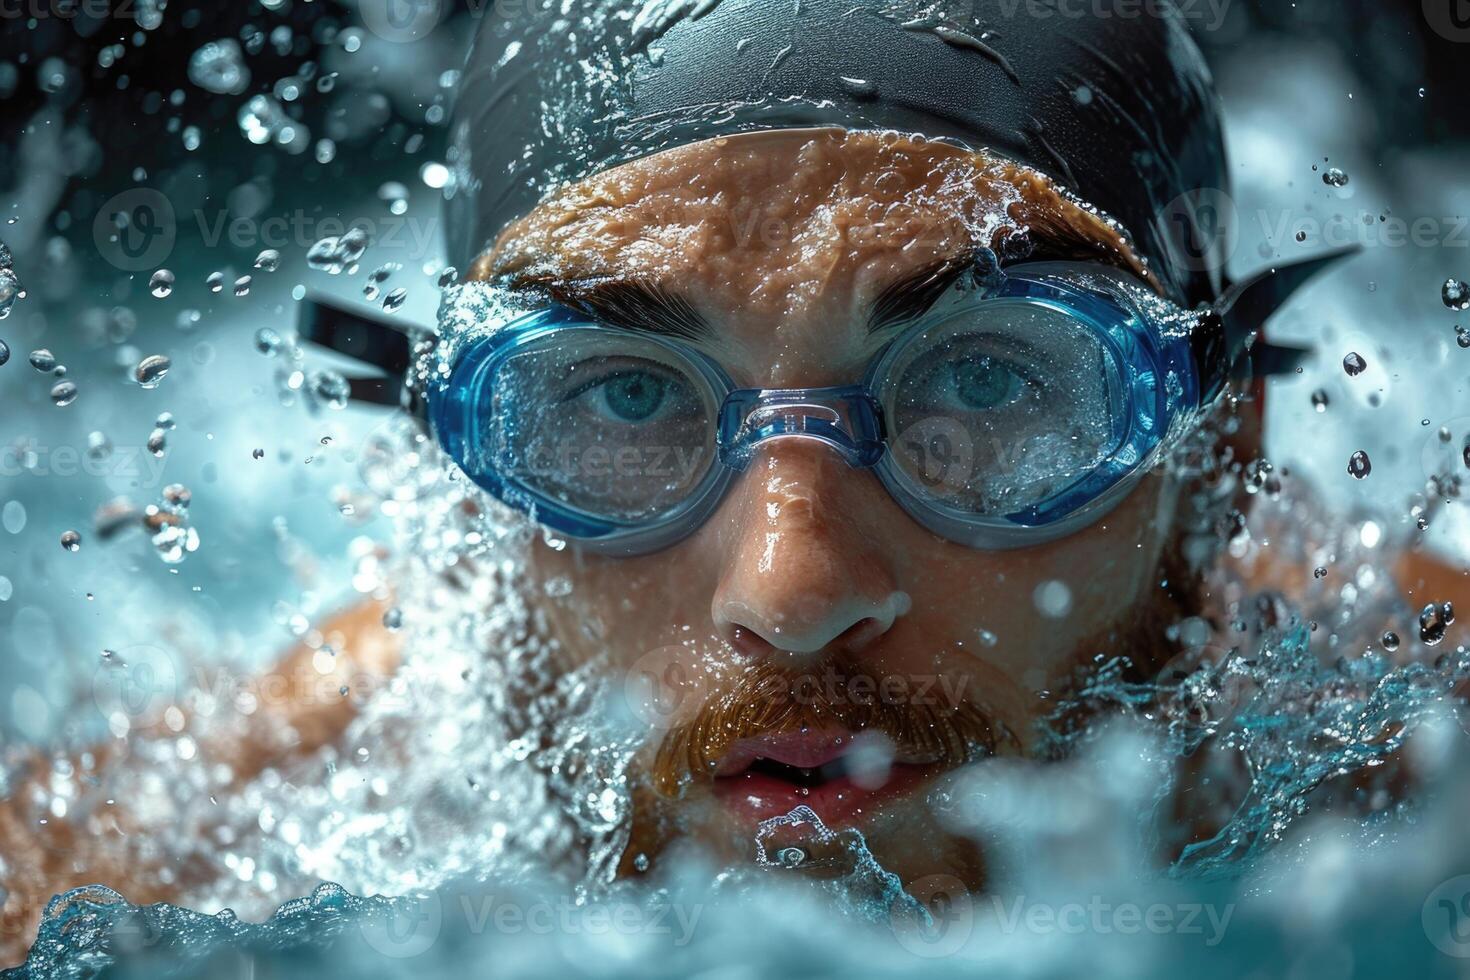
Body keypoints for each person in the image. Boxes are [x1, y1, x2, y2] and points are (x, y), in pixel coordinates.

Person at [2, 0, 1461, 965]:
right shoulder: (206, 828)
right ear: (470, 487)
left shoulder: (1416, 737)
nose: (793, 590)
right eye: (622, 398)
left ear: (1220, 450)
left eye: (992, 381)